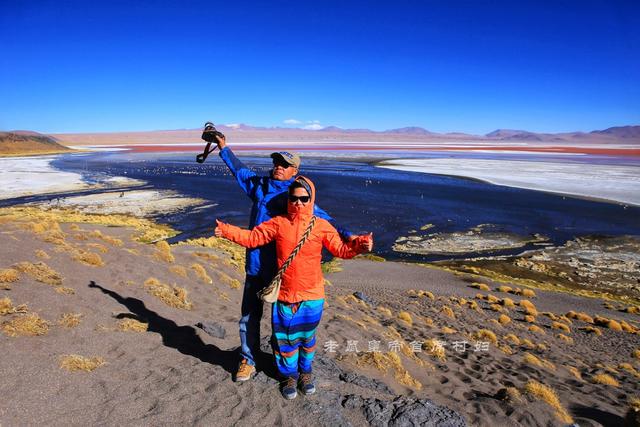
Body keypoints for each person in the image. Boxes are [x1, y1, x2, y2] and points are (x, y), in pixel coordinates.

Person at [211, 135, 360, 382]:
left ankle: (282, 363)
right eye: (276, 163)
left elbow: (324, 219)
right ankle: (248, 360)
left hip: (279, 271)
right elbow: (239, 171)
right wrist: (223, 148)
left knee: (279, 321)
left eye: (285, 164)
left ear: (295, 171)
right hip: (255, 266)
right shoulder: (260, 186)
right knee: (249, 316)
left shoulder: (295, 196)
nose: (278, 167)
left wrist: (349, 235)